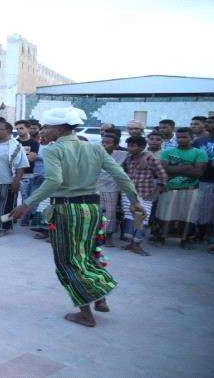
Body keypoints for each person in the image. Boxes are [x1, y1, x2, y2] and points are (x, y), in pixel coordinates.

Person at [10, 107, 143, 328]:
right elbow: (121, 175)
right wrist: (134, 200)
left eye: (47, 127)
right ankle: (99, 298)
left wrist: (26, 204)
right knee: (88, 253)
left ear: (61, 129)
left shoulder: (53, 150)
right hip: (92, 209)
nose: (43, 131)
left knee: (67, 261)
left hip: (67, 210)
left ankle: (85, 314)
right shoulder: (95, 149)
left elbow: (53, 181)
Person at [154, 127, 207, 248]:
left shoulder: (199, 153)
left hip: (190, 189)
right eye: (178, 137)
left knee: (188, 215)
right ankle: (160, 237)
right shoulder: (167, 152)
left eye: (184, 137)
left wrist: (175, 170)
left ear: (191, 138)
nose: (181, 139)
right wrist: (187, 167)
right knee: (164, 213)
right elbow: (164, 170)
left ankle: (186, 239)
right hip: (169, 188)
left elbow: (198, 172)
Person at [121, 136, 167, 256]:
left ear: (141, 147)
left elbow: (162, 177)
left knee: (142, 219)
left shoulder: (152, 159)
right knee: (131, 218)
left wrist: (155, 193)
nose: (129, 148)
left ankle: (137, 244)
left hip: (145, 194)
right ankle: (132, 243)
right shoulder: (129, 159)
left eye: (132, 146)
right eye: (128, 146)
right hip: (129, 194)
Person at [97, 134, 128, 246]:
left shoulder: (122, 154)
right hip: (96, 187)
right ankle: (98, 235)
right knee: (98, 212)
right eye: (103, 142)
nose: (104, 145)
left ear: (116, 144)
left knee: (110, 213)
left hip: (112, 188)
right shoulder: (96, 153)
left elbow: (139, 152)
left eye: (108, 143)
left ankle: (108, 235)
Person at [192, 116, 214, 245]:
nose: (207, 124)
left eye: (211, 122)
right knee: (202, 208)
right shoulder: (199, 141)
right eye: (206, 122)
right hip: (202, 179)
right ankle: (200, 234)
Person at [15, 120, 41, 226]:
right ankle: (16, 219)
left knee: (28, 199)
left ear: (28, 128)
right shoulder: (15, 142)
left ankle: (26, 219)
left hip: (30, 174)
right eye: (17, 129)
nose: (19, 131)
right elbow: (12, 159)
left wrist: (20, 157)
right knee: (17, 198)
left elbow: (31, 158)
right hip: (16, 175)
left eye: (21, 128)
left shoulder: (34, 143)